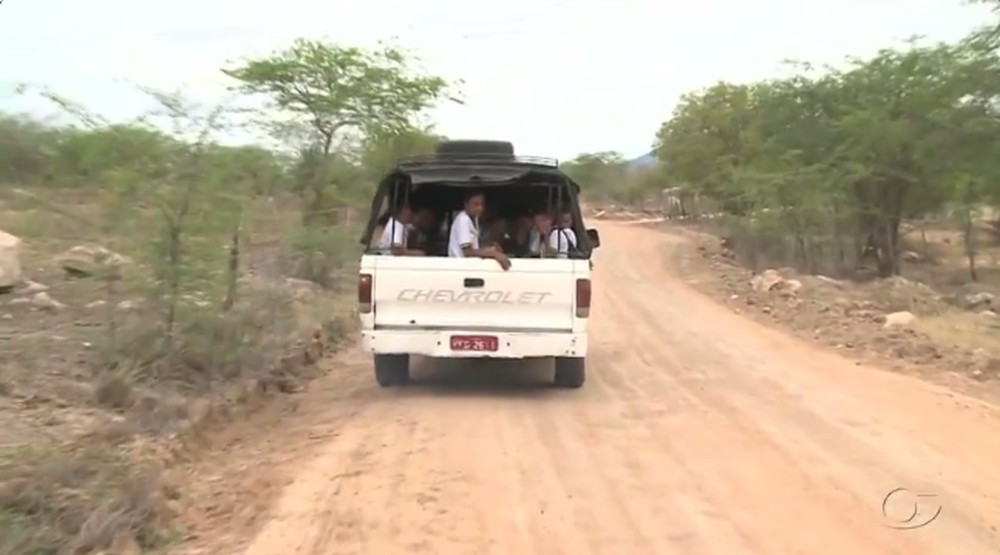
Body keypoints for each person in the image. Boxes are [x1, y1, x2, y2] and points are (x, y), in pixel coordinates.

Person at [448, 190, 511, 270]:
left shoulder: (475, 219)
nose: (480, 208)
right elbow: (468, 252)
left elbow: (475, 247)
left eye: (482, 204)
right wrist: (494, 254)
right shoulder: (463, 220)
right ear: (466, 204)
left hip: (470, 266)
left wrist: (492, 248)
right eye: (475, 204)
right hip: (459, 267)